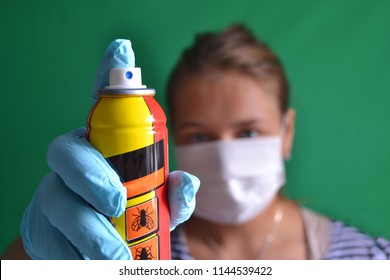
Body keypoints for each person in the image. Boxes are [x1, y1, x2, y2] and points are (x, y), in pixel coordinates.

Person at [4, 24, 390, 260]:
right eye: (200, 136)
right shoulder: (136, 251)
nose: (224, 158)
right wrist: (31, 256)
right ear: (174, 143)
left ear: (286, 132)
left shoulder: (369, 261)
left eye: (248, 133)